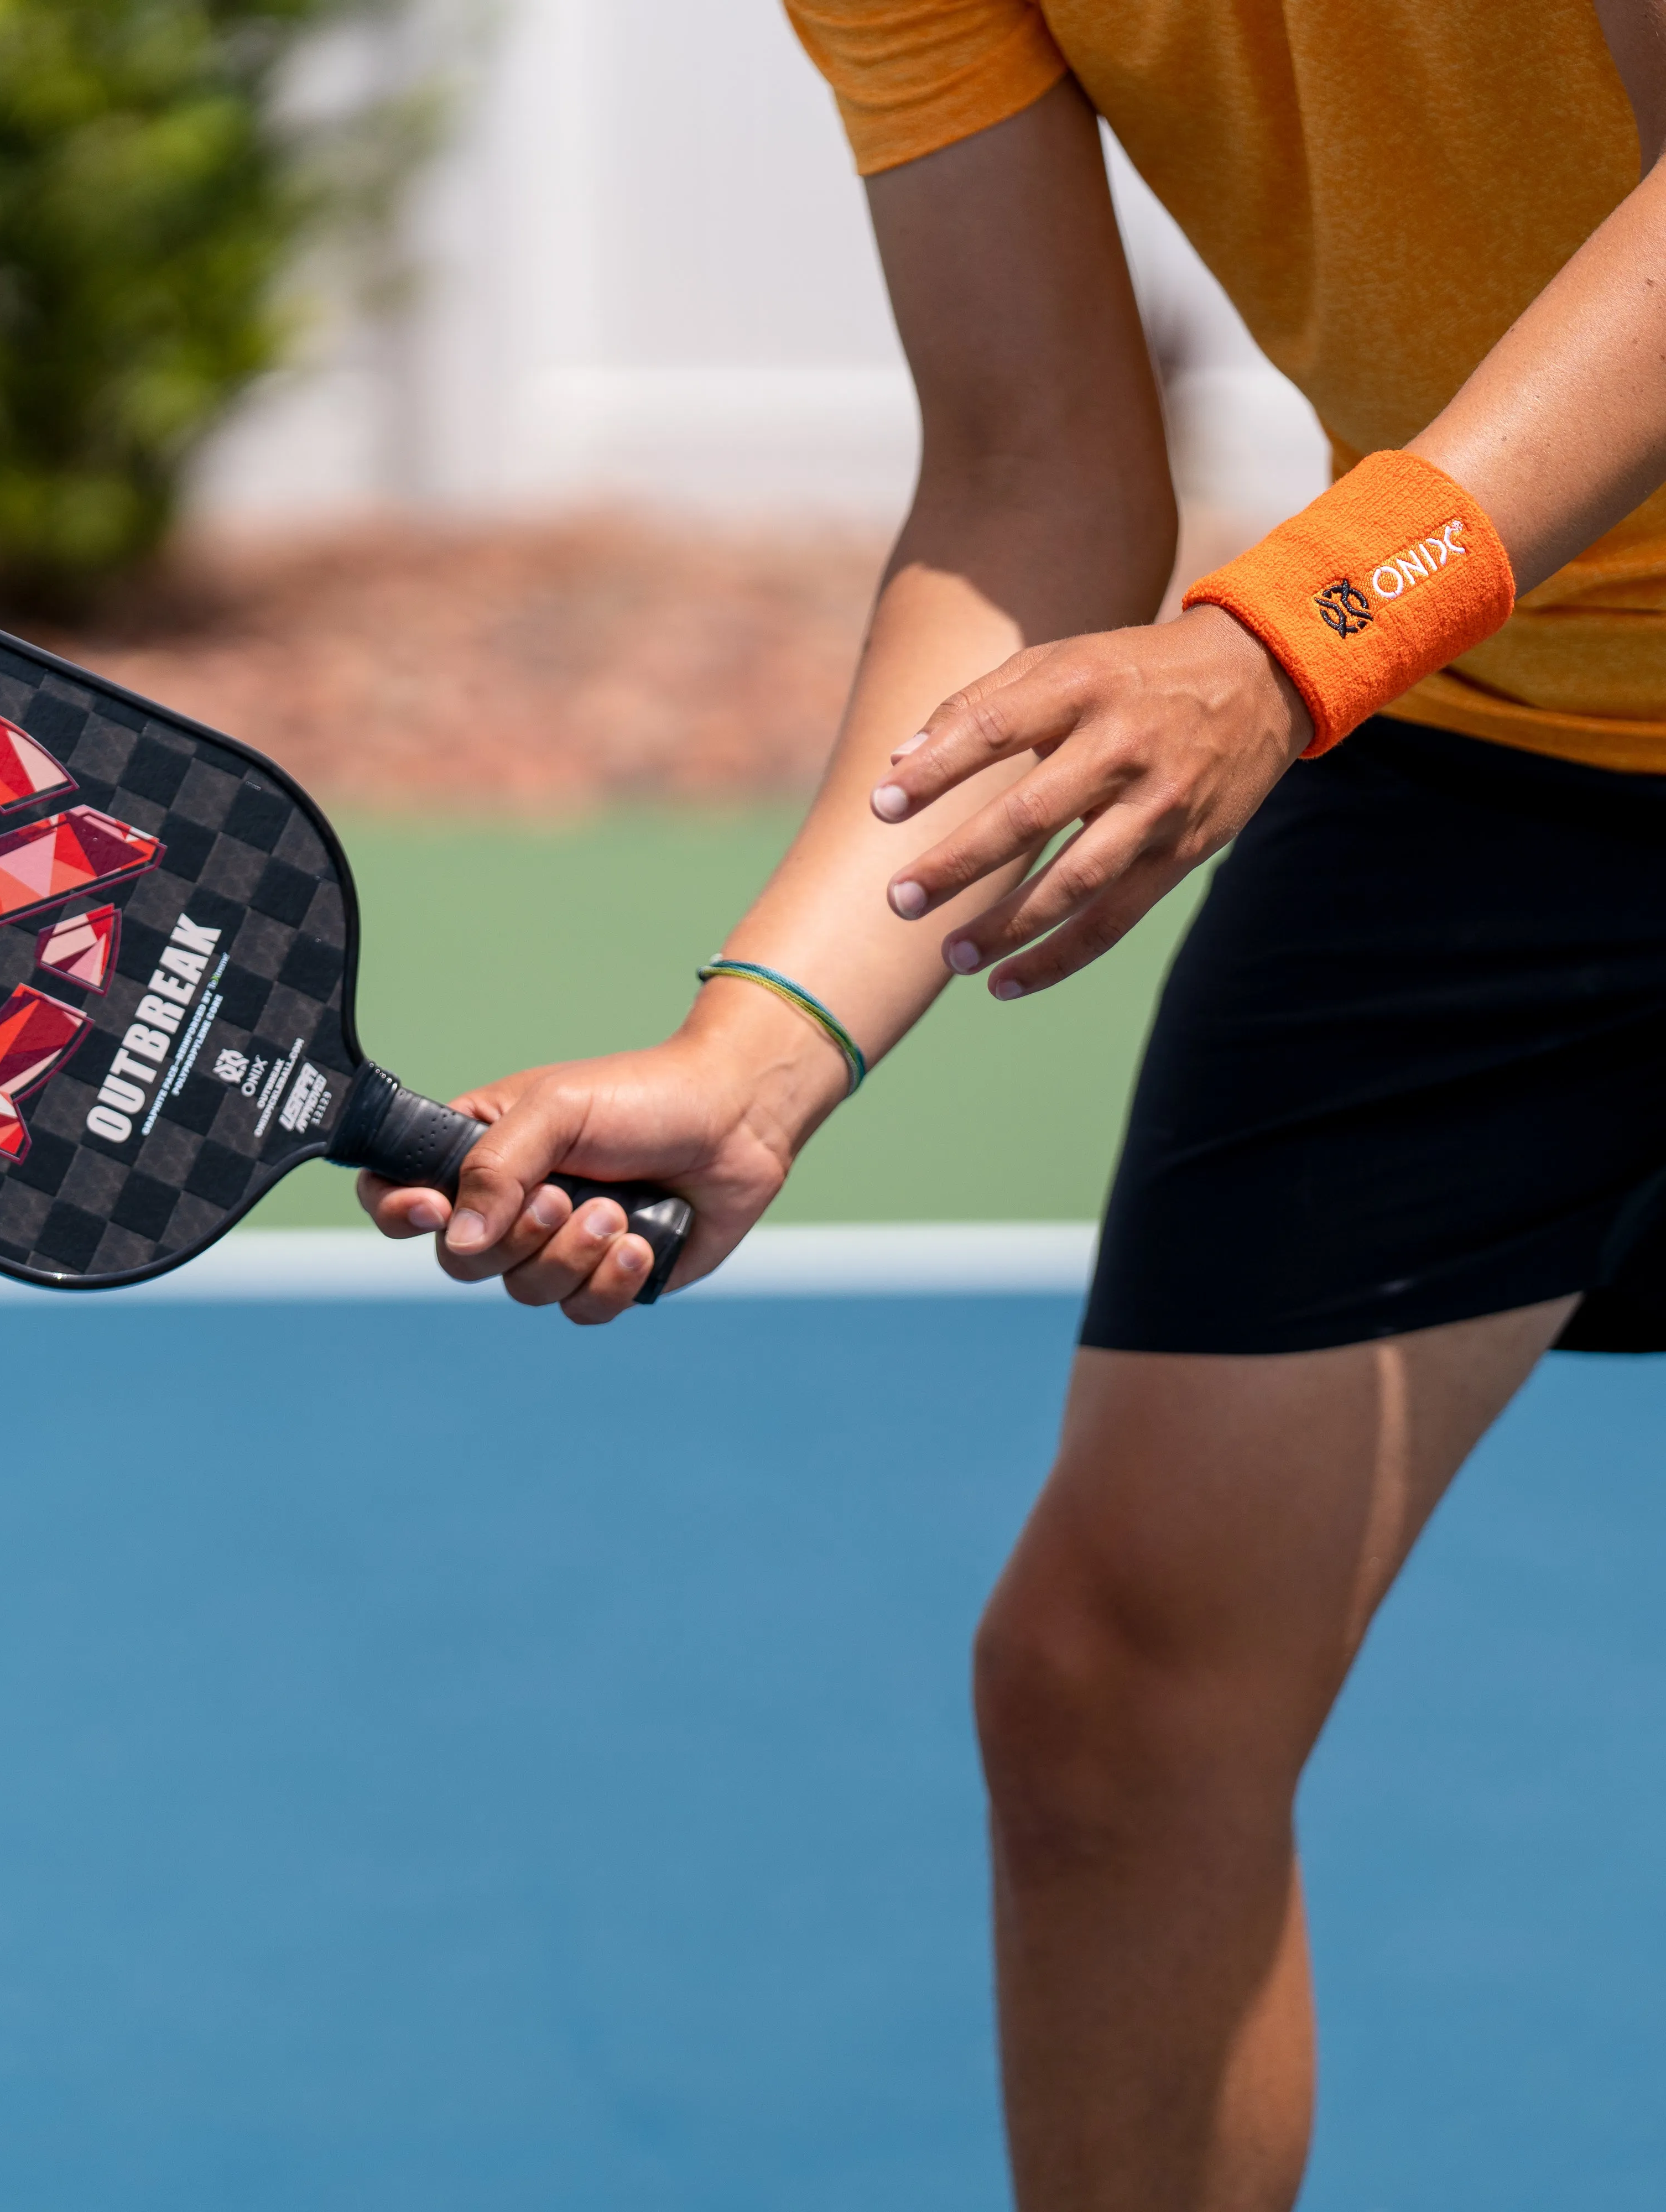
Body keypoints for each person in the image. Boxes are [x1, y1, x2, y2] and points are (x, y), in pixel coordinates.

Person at [362, 4, 1666, 2205]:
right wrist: (762, 1042)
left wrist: (1286, 643)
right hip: (1501, 736)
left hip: (1385, 644)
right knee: (1109, 1693)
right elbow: (1031, 467)